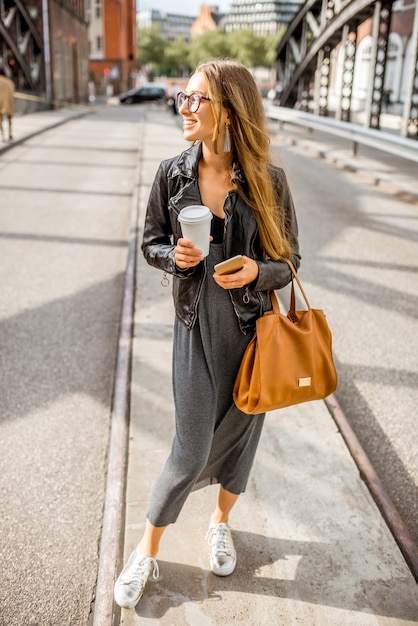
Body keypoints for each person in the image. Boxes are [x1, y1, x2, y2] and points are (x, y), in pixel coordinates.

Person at [114, 58, 300, 610]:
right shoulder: (172, 173)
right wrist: (176, 256)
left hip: (251, 335)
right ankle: (146, 551)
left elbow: (289, 263)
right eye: (183, 98)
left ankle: (219, 523)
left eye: (197, 99)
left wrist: (258, 272)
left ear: (229, 111)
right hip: (196, 328)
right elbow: (150, 242)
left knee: (241, 444)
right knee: (190, 449)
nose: (185, 108)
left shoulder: (269, 180)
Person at [0, 67, 14, 142]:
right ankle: (10, 134)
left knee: (0, 119)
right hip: (8, 102)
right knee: (9, 118)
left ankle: (2, 135)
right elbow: (12, 91)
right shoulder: (9, 82)